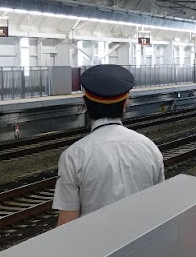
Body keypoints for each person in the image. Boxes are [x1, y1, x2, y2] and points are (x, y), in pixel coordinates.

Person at [54, 64, 165, 226]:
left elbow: (66, 224)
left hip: (96, 250)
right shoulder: (150, 148)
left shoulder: (73, 156)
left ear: (85, 103)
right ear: (125, 104)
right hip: (143, 246)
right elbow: (160, 206)